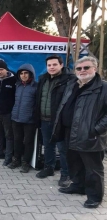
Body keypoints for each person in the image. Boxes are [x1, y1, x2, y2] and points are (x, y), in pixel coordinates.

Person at [52, 56, 107, 208]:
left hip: (90, 135)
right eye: (79, 68)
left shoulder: (103, 88)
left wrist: (96, 129)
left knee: (93, 169)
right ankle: (78, 186)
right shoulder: (73, 85)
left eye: (86, 68)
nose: (82, 71)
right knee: (74, 162)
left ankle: (95, 197)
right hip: (70, 131)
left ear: (95, 69)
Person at [35, 55, 73, 188]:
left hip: (60, 122)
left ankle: (65, 174)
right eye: (49, 65)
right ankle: (48, 168)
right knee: (48, 145)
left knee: (63, 149)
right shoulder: (43, 79)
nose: (51, 67)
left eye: (54, 65)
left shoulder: (69, 80)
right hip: (44, 119)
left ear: (61, 65)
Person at [8, 64, 37, 173]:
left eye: (26, 73)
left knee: (28, 142)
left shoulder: (35, 86)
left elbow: (37, 104)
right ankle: (17, 160)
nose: (23, 75)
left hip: (29, 120)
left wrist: (33, 116)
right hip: (16, 118)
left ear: (31, 74)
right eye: (21, 73)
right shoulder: (17, 86)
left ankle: (26, 162)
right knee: (17, 140)